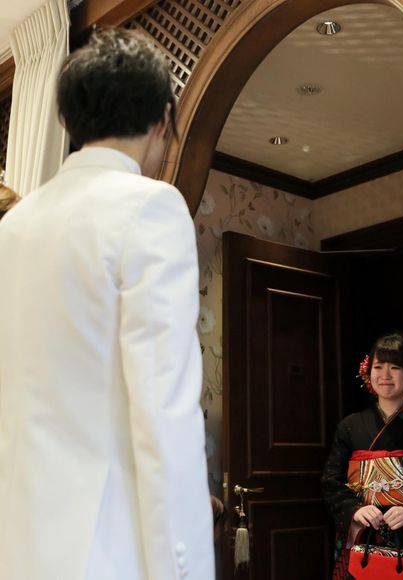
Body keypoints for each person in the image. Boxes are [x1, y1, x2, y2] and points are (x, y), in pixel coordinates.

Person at [0, 28, 214, 580]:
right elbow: (165, 414)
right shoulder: (151, 207)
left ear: (70, 119)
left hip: (20, 544)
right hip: (110, 549)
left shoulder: (14, 226)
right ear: (163, 119)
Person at [322, 334, 403, 579]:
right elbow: (331, 480)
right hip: (365, 529)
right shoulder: (350, 425)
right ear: (368, 373)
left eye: (395, 367)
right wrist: (355, 510)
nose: (385, 375)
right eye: (378, 367)